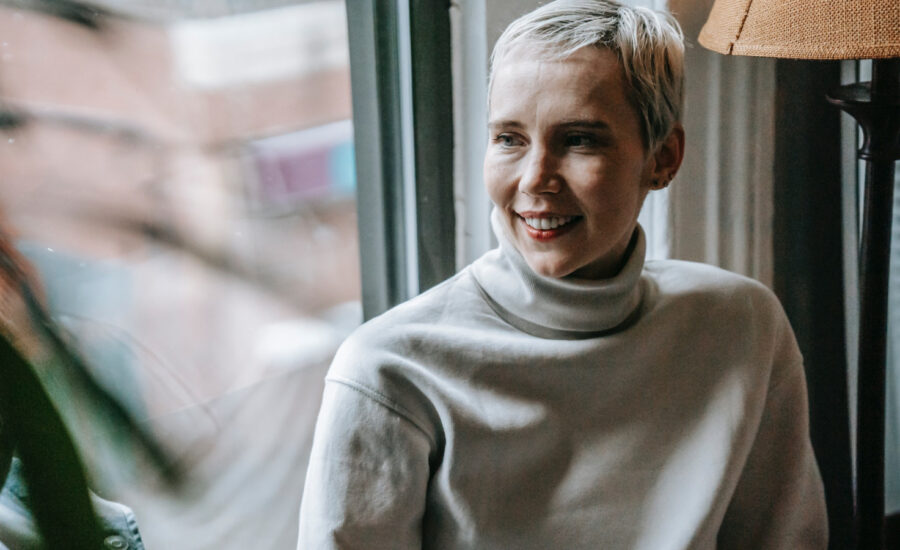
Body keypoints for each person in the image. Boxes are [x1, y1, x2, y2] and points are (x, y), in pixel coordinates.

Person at [297, 0, 828, 548]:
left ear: (663, 158)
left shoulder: (740, 325)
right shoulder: (389, 371)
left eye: (579, 139)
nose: (534, 179)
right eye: (509, 138)